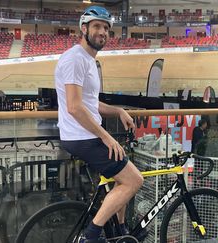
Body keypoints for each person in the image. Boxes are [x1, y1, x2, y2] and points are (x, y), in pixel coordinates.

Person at [54, 6, 144, 243]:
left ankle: (119, 230)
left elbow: (90, 103)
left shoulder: (88, 60)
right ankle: (90, 236)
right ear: (84, 29)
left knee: (121, 176)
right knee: (134, 180)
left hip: (84, 134)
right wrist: (106, 136)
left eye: (106, 28)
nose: (102, 32)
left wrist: (116, 110)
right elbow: (74, 107)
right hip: (82, 137)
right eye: (97, 26)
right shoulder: (75, 59)